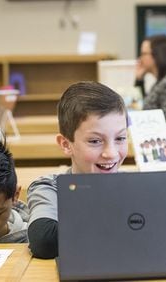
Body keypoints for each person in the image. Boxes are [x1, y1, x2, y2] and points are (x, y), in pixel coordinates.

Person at [27, 81, 129, 259]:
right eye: (95, 141)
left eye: (120, 138)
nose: (111, 153)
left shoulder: (137, 185)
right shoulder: (50, 187)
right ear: (66, 145)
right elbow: (44, 241)